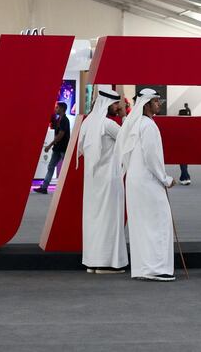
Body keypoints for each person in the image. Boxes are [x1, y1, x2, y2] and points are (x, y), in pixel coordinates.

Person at [118, 88, 176, 282]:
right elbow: (152, 158)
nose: (159, 104)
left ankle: (143, 268)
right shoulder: (148, 126)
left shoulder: (135, 124)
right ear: (147, 104)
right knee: (159, 222)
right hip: (148, 181)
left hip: (135, 182)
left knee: (142, 224)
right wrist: (165, 179)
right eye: (156, 102)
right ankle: (156, 268)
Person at [77, 87, 127, 274]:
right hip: (109, 181)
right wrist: (124, 116)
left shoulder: (88, 123)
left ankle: (93, 262)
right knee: (110, 221)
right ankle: (108, 264)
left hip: (92, 182)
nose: (117, 107)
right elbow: (130, 138)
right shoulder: (107, 124)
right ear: (106, 104)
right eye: (115, 104)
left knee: (93, 220)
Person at [34, 102, 70, 194]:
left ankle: (70, 187)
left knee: (67, 168)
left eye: (57, 107)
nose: (55, 109)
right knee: (51, 166)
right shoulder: (59, 119)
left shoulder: (64, 120)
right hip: (57, 148)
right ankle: (44, 187)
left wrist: (50, 145)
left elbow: (61, 135)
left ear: (62, 109)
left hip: (63, 148)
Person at [177, 102, 192, 185]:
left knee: (182, 162)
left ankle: (186, 177)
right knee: (184, 162)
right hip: (187, 145)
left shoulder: (178, 124)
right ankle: (183, 177)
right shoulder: (189, 123)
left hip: (180, 145)